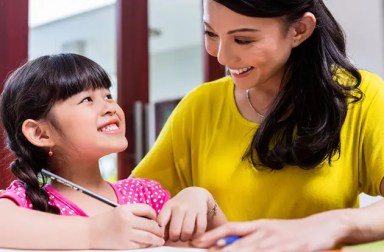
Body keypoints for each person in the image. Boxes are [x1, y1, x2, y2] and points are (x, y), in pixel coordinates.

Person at [132, 0, 384, 251]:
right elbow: (129, 205)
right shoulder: (199, 105)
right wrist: (190, 198)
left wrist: (333, 224)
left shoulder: (359, 97)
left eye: (243, 40)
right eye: (210, 33)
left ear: (299, 30)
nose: (222, 56)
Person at [0, 53, 226, 250]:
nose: (110, 107)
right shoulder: (30, 200)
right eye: (87, 99)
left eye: (108, 95)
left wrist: (203, 200)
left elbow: (226, 245)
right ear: (40, 134)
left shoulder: (144, 193)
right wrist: (93, 232)